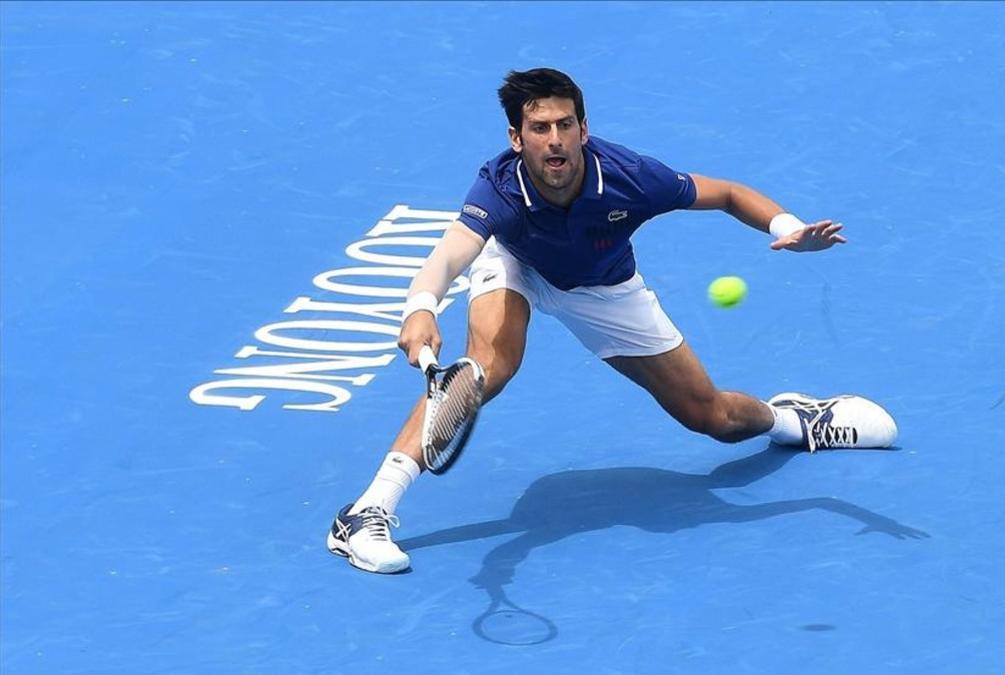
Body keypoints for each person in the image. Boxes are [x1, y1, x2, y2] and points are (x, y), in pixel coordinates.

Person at [327, 68, 897, 574]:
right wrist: (421, 307)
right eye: (540, 128)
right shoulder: (501, 186)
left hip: (605, 289)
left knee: (712, 417)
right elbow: (452, 253)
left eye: (565, 125)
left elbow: (725, 193)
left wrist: (784, 228)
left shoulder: (629, 176)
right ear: (516, 138)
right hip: (517, 265)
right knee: (485, 370)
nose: (555, 140)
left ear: (583, 128)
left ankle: (794, 420)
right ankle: (366, 511)